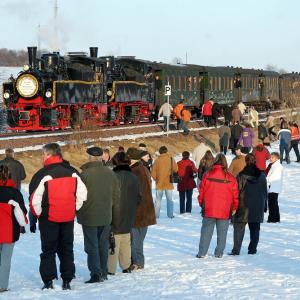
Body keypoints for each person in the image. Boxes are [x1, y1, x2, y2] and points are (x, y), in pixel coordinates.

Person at [29, 143, 87, 290]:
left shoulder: (42, 174)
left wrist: (40, 214)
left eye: (43, 154)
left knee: (48, 250)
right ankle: (67, 279)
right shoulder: (73, 172)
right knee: (67, 248)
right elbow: (83, 194)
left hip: (48, 218)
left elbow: (34, 199)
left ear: (49, 155)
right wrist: (73, 209)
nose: (42, 157)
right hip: (67, 217)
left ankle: (48, 281)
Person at [78, 146, 120, 283]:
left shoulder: (83, 175)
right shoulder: (110, 173)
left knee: (92, 245)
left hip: (88, 215)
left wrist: (78, 211)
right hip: (106, 215)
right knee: (103, 244)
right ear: (101, 157)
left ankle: (95, 273)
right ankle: (103, 271)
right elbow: (116, 195)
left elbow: (78, 197)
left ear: (89, 157)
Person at [197, 154, 239, 258]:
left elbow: (201, 191)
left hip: (209, 208)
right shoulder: (231, 178)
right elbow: (235, 195)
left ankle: (202, 253)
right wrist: (234, 207)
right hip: (224, 209)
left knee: (206, 232)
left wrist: (201, 202)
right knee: (222, 233)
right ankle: (219, 253)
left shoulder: (207, 175)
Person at [108, 152, 141, 275]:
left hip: (114, 211)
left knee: (113, 240)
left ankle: (110, 268)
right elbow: (139, 196)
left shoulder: (112, 176)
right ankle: (126, 265)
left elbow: (109, 196)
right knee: (126, 239)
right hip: (129, 212)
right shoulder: (134, 177)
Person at [230, 154, 268, 255]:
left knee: (239, 228)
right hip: (257, 206)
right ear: (255, 161)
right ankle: (252, 250)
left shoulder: (241, 175)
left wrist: (233, 206)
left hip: (243, 206)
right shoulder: (262, 175)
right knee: (255, 229)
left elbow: (236, 192)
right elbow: (265, 192)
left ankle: (236, 250)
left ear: (246, 161)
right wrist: (265, 206)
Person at [127, 148, 156, 270]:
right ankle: (138, 261)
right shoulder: (144, 169)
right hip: (147, 209)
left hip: (137, 210)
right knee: (139, 239)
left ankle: (137, 261)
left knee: (135, 240)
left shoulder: (134, 172)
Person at [0, 165, 27, 293]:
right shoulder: (15, 193)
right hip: (9, 232)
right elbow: (22, 212)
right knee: (6, 259)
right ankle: (2, 285)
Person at [151, 146, 178, 218]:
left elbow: (153, 173)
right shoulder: (171, 159)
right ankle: (170, 215)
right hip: (169, 182)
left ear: (159, 152)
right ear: (166, 151)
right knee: (169, 200)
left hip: (159, 183)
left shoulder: (157, 160)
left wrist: (156, 179)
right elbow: (176, 169)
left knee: (158, 200)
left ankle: (156, 215)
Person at [266, 152, 283, 223]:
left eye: (272, 157)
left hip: (274, 187)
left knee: (272, 203)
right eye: (270, 157)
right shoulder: (274, 165)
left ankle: (272, 218)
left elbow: (274, 177)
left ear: (276, 158)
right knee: (274, 203)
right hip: (273, 186)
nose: (270, 158)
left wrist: (266, 179)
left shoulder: (277, 166)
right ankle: (276, 218)